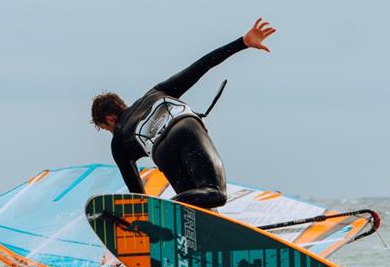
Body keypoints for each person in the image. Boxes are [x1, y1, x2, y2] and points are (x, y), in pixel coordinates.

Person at [91, 18, 276, 209]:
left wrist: (144, 219)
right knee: (213, 193)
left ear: (109, 119)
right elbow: (201, 66)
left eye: (106, 129)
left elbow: (138, 197)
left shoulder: (119, 142)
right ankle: (171, 207)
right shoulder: (157, 93)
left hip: (162, 152)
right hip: (185, 129)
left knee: (194, 209)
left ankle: (168, 210)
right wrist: (242, 43)